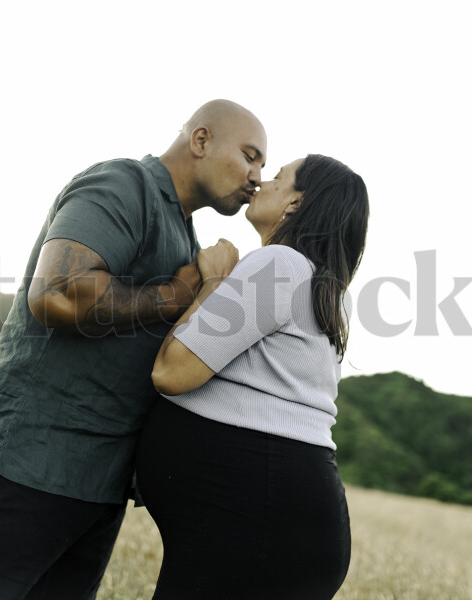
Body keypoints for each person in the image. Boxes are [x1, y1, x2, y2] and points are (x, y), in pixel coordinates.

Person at [0, 99, 267, 600]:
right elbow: (57, 292)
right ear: (201, 140)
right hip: (32, 462)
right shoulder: (123, 185)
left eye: (264, 167)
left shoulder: (186, 238)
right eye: (250, 155)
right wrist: (177, 295)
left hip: (100, 484)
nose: (256, 176)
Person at [136, 154, 369, 599]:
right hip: (277, 519)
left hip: (253, 523)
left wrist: (213, 281)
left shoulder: (278, 264)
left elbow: (171, 371)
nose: (262, 181)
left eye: (278, 177)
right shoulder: (323, 286)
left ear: (297, 203)